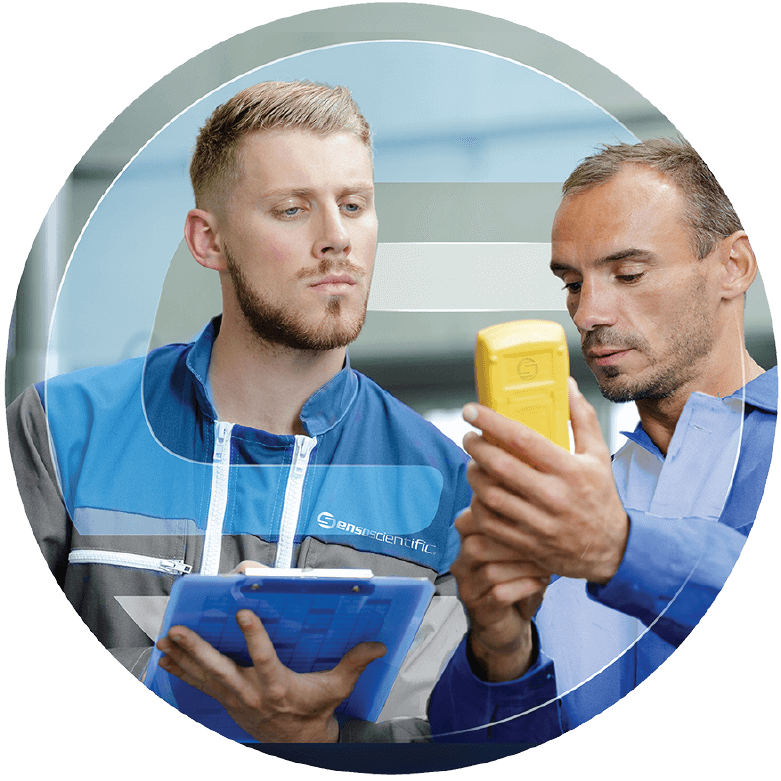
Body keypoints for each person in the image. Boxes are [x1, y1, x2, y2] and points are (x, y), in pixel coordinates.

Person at [7, 81, 472, 744]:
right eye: (291, 209)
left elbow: (450, 735)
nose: (337, 237)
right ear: (209, 240)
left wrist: (320, 739)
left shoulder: (446, 483)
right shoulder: (58, 431)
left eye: (353, 205)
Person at [428, 138, 777, 742]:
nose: (588, 313)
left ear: (734, 266)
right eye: (571, 282)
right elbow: (467, 746)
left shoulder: (592, 523)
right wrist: (500, 653)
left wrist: (619, 547)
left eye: (628, 273)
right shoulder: (574, 504)